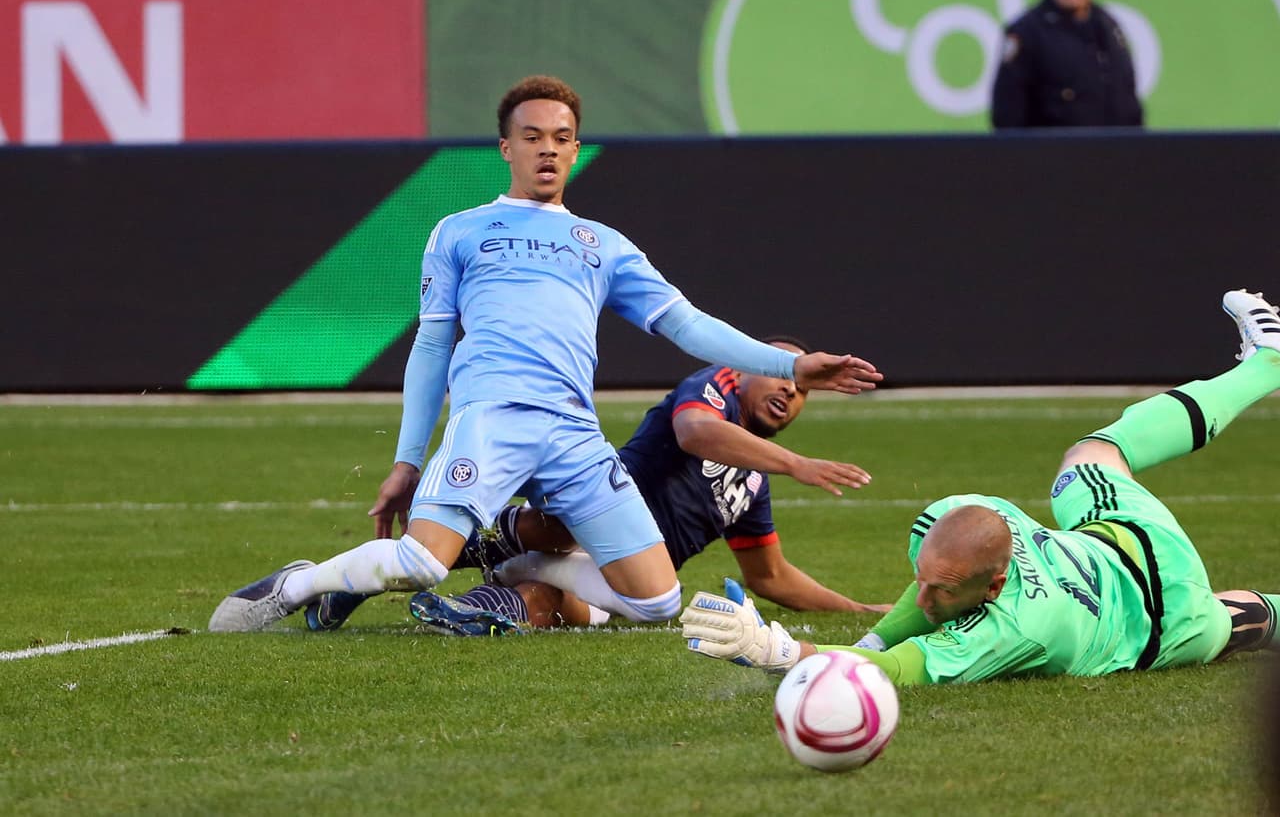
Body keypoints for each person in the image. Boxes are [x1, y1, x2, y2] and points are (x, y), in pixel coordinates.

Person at [208, 75, 883, 633]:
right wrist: (407, 461)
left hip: (573, 433)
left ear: (577, 149)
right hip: (493, 418)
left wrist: (788, 365)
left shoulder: (604, 244)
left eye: (561, 139)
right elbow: (434, 343)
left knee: (657, 602)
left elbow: (688, 325)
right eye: (533, 137)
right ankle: (301, 583)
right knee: (420, 562)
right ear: (506, 148)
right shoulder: (460, 231)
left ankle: (518, 572)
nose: (548, 150)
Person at [680, 289, 1280, 684]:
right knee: (1095, 456)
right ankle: (1265, 365)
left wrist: (775, 653)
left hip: (1165, 624)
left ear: (996, 582)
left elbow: (889, 672)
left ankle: (1267, 364)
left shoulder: (1014, 629)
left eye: (940, 592)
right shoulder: (965, 518)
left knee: (1237, 623)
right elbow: (920, 603)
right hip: (1130, 538)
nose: (924, 600)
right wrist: (872, 632)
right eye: (923, 580)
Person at [306, 337, 888, 635]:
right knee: (551, 531)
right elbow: (693, 434)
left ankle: (467, 610)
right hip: (578, 522)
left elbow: (771, 577)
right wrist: (796, 464)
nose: (793, 394)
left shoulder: (751, 485)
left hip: (625, 578)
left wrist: (860, 607)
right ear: (746, 367)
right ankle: (367, 579)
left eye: (805, 392)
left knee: (564, 606)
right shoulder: (712, 389)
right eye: (786, 375)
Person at [990, 0, 1143, 129]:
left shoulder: (1108, 26)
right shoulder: (1027, 31)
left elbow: (1125, 92)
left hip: (1109, 149)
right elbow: (1008, 106)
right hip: (1052, 149)